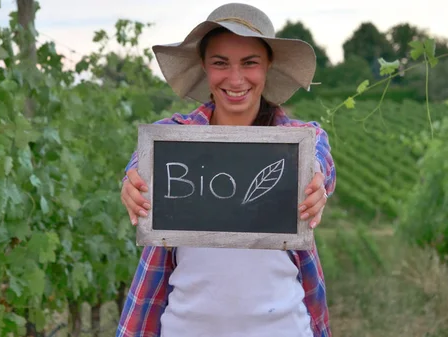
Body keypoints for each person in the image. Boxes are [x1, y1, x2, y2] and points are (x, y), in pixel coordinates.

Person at [116, 3, 336, 337]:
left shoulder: (299, 139)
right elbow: (140, 165)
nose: (235, 79)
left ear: (267, 67)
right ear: (204, 66)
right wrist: (130, 182)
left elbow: (320, 163)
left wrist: (317, 180)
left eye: (250, 63)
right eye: (221, 63)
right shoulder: (174, 136)